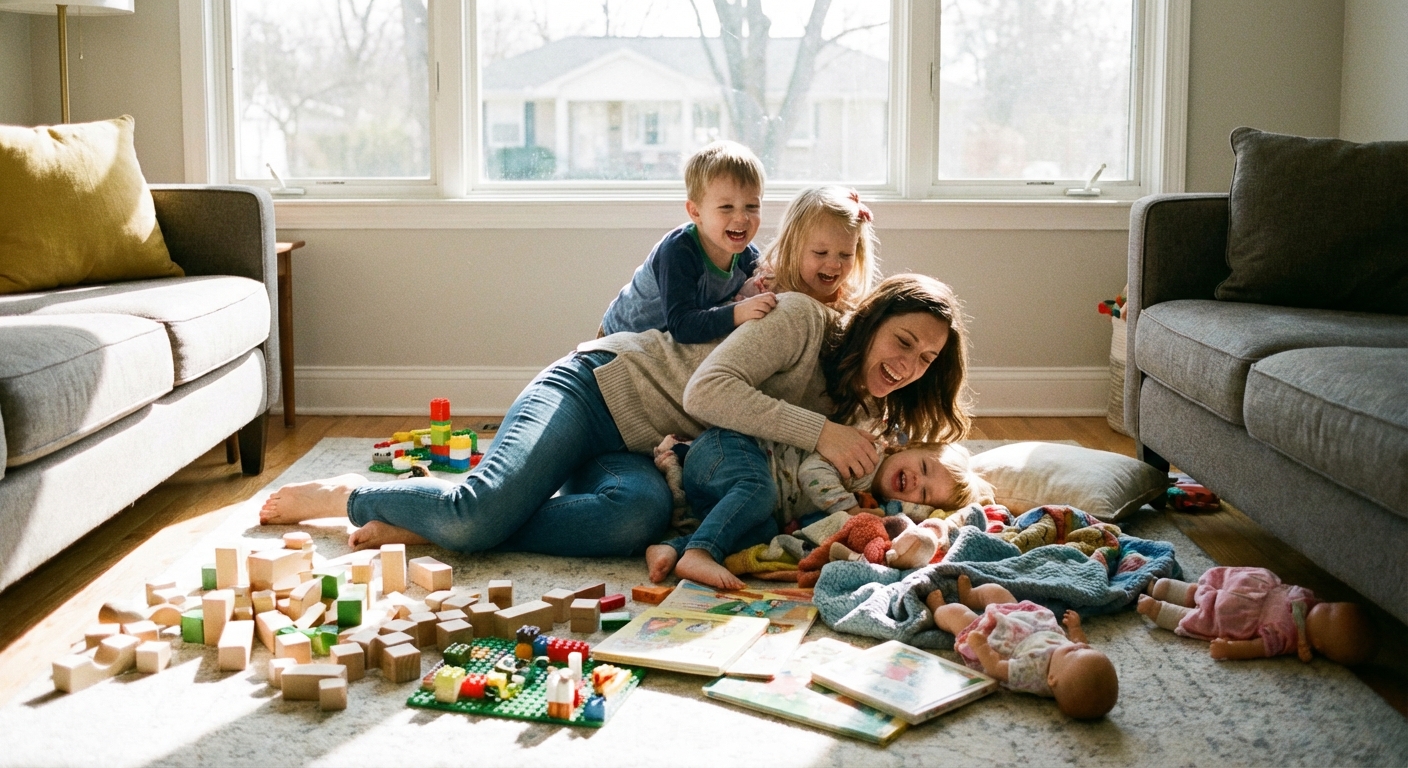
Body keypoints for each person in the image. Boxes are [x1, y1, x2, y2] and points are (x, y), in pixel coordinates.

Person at [259, 274, 960, 566]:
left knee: (632, 523)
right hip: (593, 389)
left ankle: (426, 520)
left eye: (925, 359)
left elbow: (896, 480)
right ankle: (351, 494)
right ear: (872, 321)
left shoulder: (857, 406)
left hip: (640, 451)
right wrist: (820, 433)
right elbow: (709, 394)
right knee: (476, 516)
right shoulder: (804, 320)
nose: (908, 364)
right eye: (903, 341)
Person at [647, 437, 994, 589]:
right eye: (922, 466)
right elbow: (811, 471)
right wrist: (849, 507)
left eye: (924, 492)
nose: (916, 480)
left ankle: (675, 548)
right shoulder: (866, 457)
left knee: (761, 530)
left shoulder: (876, 499)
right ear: (907, 447)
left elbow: (923, 518)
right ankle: (700, 551)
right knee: (760, 492)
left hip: (729, 493)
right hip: (726, 451)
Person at [598, 140, 775, 343]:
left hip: (665, 341)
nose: (742, 218)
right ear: (695, 212)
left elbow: (753, 288)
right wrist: (737, 312)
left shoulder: (747, 256)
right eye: (726, 207)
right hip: (621, 336)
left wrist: (754, 288)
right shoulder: (679, 251)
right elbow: (682, 325)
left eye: (752, 206)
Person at [929, 575, 1120, 720]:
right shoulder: (1071, 662)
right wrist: (1075, 628)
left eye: (1074, 650)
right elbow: (1079, 642)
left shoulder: (1031, 672)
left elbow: (995, 668)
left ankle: (938, 608)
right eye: (1086, 647)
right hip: (1026, 622)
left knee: (957, 615)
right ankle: (971, 595)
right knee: (997, 592)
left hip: (997, 638)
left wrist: (980, 646)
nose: (1079, 645)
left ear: (1052, 679)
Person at [1136, 568, 1375, 664]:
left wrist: (1230, 650)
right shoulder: (1310, 601)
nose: (1324, 607)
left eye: (1328, 617)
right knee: (1202, 592)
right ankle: (1163, 587)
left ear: (1319, 645)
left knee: (1200, 617)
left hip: (1238, 615)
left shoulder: (1288, 637)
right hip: (1250, 588)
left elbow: (1257, 647)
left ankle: (1156, 610)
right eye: (1332, 607)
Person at [754, 185, 881, 311]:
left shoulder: (848, 301)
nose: (834, 264)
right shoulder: (766, 290)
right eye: (821, 253)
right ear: (793, 248)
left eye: (846, 255)